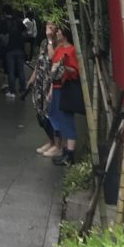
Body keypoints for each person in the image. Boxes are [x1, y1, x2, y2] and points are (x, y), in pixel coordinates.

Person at [47, 24, 80, 166]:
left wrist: (64, 67)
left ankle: (70, 153)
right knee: (57, 117)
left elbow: (75, 71)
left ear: (65, 34)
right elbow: (52, 67)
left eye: (58, 31)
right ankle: (65, 151)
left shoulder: (71, 50)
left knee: (67, 119)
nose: (57, 34)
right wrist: (50, 89)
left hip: (65, 87)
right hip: (56, 86)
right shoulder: (58, 49)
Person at [26, 21, 60, 156]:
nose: (49, 28)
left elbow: (52, 58)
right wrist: (32, 79)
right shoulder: (44, 43)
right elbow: (40, 62)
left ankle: (58, 144)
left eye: (52, 25)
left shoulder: (57, 43)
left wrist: (51, 40)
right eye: (48, 25)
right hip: (40, 82)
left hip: (50, 83)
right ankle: (51, 141)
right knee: (40, 114)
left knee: (50, 114)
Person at [2, 11, 28, 99]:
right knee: (21, 71)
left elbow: (3, 37)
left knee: (11, 72)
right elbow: (26, 33)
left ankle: (12, 91)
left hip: (9, 50)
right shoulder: (20, 23)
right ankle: (22, 90)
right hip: (20, 49)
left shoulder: (6, 23)